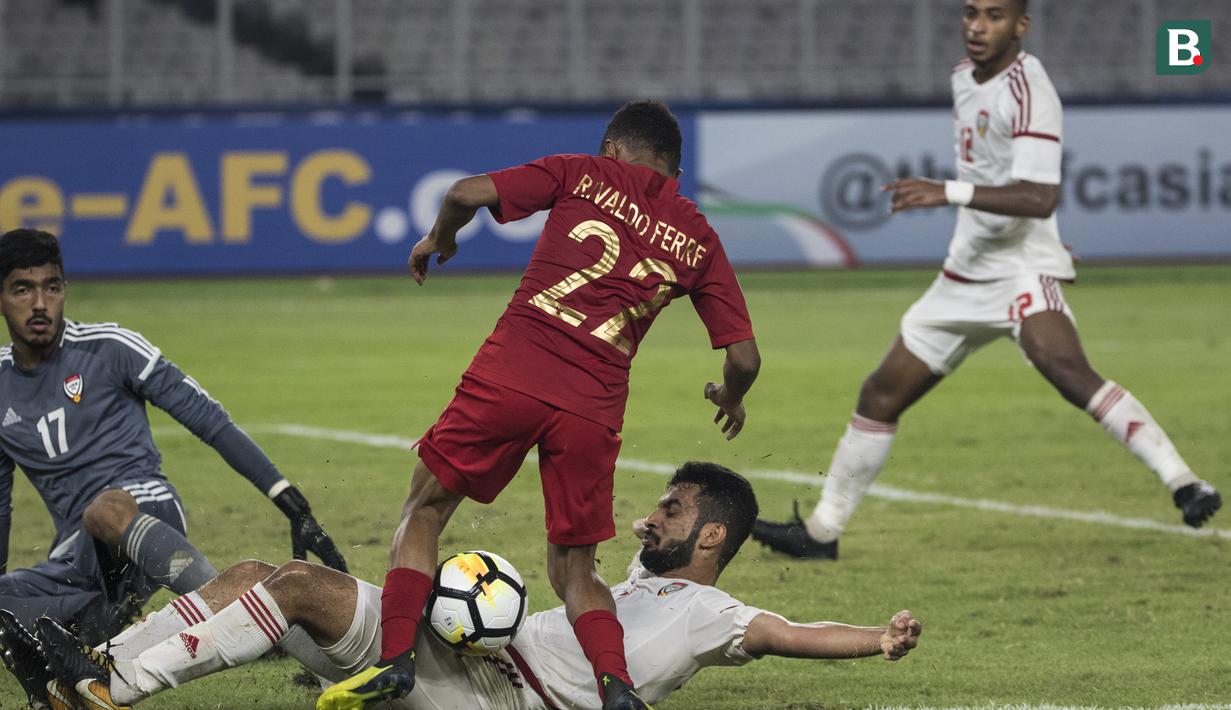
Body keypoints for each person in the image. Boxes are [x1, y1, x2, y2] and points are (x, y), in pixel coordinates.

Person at [323, 100, 761, 710]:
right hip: (593, 408)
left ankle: (394, 660)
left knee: (424, 510)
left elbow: (464, 192)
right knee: (575, 569)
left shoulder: (583, 172)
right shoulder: (695, 232)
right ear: (674, 173)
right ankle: (618, 689)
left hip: (512, 375)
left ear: (613, 148)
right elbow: (744, 358)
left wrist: (438, 238)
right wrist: (729, 397)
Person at [751, 0, 1221, 561]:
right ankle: (822, 534)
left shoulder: (1029, 88)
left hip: (1020, 269)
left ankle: (1185, 482)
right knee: (880, 393)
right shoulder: (962, 78)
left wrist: (946, 191)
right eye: (971, 12)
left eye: (995, 15)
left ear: (1021, 25)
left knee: (1067, 370)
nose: (978, 25)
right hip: (963, 275)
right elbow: (996, 175)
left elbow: (1040, 195)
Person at [25, 461, 921, 710]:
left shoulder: (717, 615)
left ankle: (104, 685)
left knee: (292, 588)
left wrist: (876, 642)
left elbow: (794, 631)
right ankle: (95, 674)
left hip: (495, 694)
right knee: (274, 577)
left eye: (671, 510)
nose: (651, 518)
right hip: (465, 655)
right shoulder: (615, 586)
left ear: (711, 535)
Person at [0, 228, 348, 705]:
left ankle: (241, 618)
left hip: (143, 515)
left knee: (104, 508)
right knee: (47, 618)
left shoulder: (110, 347)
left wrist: (289, 499)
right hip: (77, 560)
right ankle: (81, 668)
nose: (40, 303)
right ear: (2, 296)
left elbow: (206, 416)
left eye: (52, 286)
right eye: (23, 288)